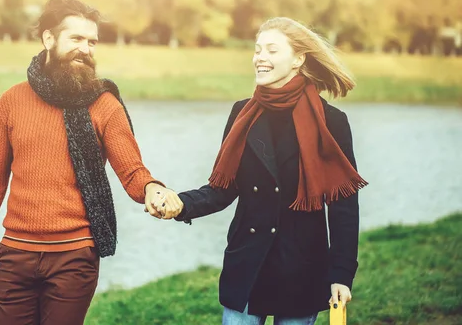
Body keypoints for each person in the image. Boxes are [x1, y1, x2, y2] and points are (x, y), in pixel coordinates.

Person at [0, 0, 183, 325]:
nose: (86, 49)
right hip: (15, 255)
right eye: (76, 39)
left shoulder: (105, 105)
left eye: (92, 41)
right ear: (48, 39)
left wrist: (152, 189)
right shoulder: (11, 102)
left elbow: (132, 169)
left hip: (74, 257)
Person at [154, 17, 367, 325]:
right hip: (247, 267)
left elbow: (343, 207)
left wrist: (342, 275)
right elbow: (223, 189)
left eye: (271, 50)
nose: (260, 58)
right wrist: (180, 203)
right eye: (257, 50)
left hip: (301, 271)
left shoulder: (330, 122)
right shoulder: (242, 113)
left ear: (298, 59)